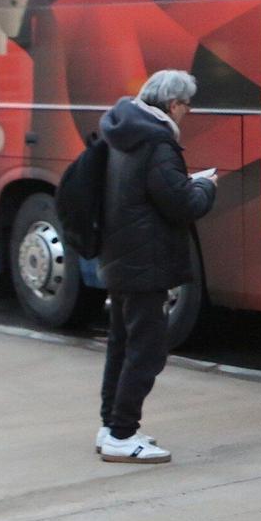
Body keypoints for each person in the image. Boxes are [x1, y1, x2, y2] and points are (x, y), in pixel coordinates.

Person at [93, 69, 217, 465]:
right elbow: (183, 205)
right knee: (147, 350)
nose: (187, 113)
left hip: (120, 257)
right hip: (146, 264)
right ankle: (123, 433)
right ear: (175, 104)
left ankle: (111, 425)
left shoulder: (123, 132)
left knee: (121, 344)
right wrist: (205, 186)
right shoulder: (158, 142)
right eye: (187, 106)